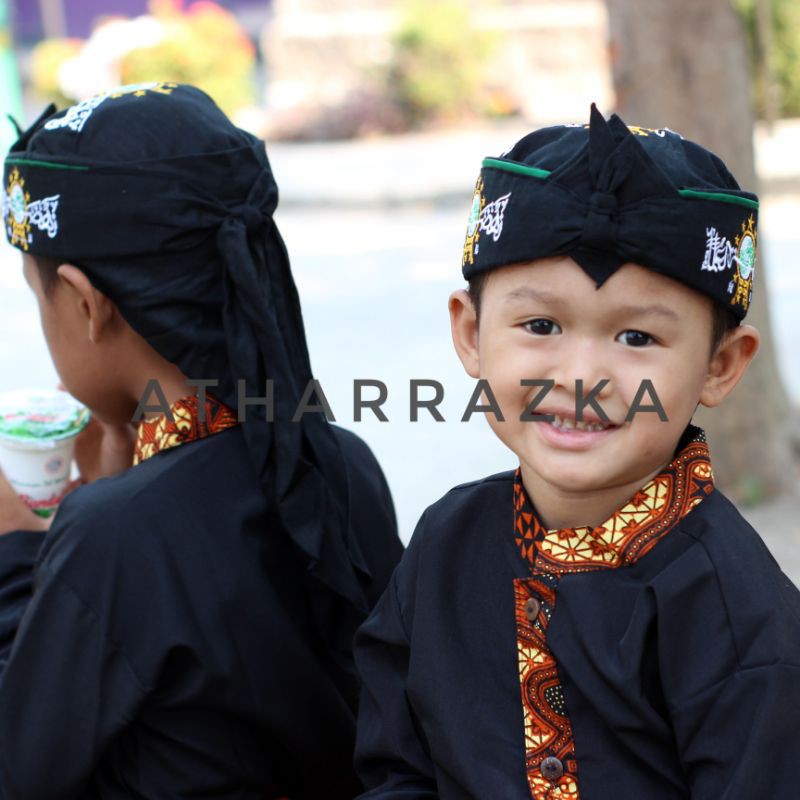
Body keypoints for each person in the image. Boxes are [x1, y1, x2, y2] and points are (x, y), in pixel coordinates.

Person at [354, 105, 800, 799]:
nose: (580, 377)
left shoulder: (737, 614)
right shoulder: (445, 545)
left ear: (720, 365)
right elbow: (395, 769)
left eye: (637, 339)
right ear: (471, 334)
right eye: (541, 325)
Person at [0, 83, 403, 799]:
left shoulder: (115, 537)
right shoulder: (341, 464)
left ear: (88, 305)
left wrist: (15, 552)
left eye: (40, 300)